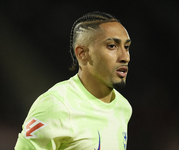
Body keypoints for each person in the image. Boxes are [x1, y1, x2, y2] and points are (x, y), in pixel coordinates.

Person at [15, 11, 132, 150]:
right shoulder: (57, 105)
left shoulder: (123, 107)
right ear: (82, 54)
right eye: (112, 46)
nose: (125, 57)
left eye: (126, 47)